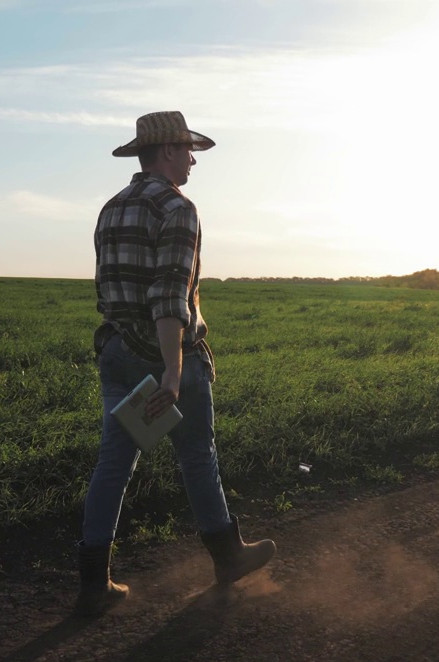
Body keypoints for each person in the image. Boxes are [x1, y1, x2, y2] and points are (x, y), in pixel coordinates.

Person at [75, 110, 276, 617]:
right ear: (167, 151)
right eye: (188, 151)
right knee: (196, 455)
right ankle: (228, 558)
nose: (192, 160)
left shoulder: (110, 207)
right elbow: (169, 296)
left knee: (113, 464)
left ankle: (93, 583)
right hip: (165, 357)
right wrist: (171, 367)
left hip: (117, 351)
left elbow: (108, 287)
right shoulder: (178, 208)